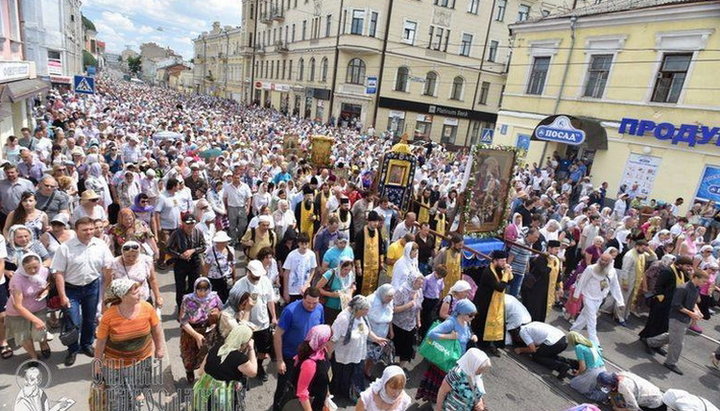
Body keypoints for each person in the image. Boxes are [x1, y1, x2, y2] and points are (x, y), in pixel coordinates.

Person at [52, 216, 113, 366]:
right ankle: (72, 349)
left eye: (91, 229)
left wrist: (107, 293)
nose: (89, 232)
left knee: (90, 319)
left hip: (92, 287)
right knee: (73, 322)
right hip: (71, 289)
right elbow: (58, 273)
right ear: (76, 230)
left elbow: (108, 268)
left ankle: (86, 344)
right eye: (85, 230)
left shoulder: (100, 245)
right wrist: (62, 296)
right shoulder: (65, 248)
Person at [94, 278, 164, 404]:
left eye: (139, 290)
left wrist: (159, 348)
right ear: (123, 296)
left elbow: (156, 328)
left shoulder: (147, 308)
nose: (140, 294)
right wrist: (97, 364)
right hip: (116, 364)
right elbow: (100, 342)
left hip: (143, 358)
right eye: (135, 292)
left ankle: (137, 392)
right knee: (119, 396)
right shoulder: (109, 316)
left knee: (141, 382)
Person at [645, 269, 709, 375]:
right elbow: (676, 305)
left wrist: (697, 311)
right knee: (678, 343)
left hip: (685, 318)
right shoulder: (682, 288)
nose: (704, 284)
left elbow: (693, 302)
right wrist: (691, 314)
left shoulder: (696, 288)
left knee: (673, 336)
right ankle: (670, 363)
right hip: (677, 318)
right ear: (695, 278)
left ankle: (651, 342)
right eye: (703, 281)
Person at [272, 287, 324, 411]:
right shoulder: (290, 311)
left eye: (314, 303)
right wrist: (280, 360)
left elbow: (320, 330)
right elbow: (278, 335)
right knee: (283, 387)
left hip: (308, 358)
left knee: (303, 388)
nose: (311, 306)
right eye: (308, 302)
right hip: (290, 356)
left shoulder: (320, 308)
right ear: (303, 298)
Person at [416, 299, 478, 403]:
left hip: (455, 360)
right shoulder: (451, 322)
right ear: (462, 313)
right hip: (444, 360)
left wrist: (472, 336)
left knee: (445, 387)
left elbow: (466, 334)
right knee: (441, 386)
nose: (473, 317)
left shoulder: (466, 323)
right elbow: (431, 334)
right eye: (471, 315)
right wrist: (450, 336)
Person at [329, 295, 386, 402]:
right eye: (365, 310)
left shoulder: (360, 317)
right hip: (344, 358)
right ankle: (343, 394)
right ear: (357, 308)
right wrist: (328, 356)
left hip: (358, 355)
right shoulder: (343, 319)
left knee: (355, 376)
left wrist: (376, 339)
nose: (367, 312)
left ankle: (353, 393)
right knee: (343, 377)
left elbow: (365, 330)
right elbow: (333, 338)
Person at [229, 259, 277, 382]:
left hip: (263, 322)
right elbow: (232, 305)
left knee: (262, 349)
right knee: (244, 349)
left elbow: (270, 299)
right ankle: (243, 370)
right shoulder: (239, 285)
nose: (257, 278)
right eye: (254, 275)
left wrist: (273, 316)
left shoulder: (265, 281)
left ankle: (259, 366)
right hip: (246, 324)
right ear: (248, 272)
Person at [193, 324, 257, 411]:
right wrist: (251, 349)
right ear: (244, 342)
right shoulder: (240, 358)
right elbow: (253, 372)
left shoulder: (215, 347)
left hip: (205, 390)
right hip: (223, 397)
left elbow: (200, 372)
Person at [570, 253, 624, 346]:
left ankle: (574, 330)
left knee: (585, 315)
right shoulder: (591, 268)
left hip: (599, 298)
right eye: (601, 259)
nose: (603, 262)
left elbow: (615, 286)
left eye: (605, 261)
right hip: (588, 296)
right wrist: (576, 294)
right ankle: (594, 342)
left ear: (610, 262)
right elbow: (582, 281)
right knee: (592, 319)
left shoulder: (612, 272)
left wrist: (620, 302)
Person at [5, 253, 51, 361]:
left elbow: (49, 283)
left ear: (40, 263)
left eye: (35, 267)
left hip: (38, 306)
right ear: (22, 267)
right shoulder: (17, 280)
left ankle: (43, 344)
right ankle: (33, 356)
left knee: (40, 332)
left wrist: (46, 290)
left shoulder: (44, 271)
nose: (33, 270)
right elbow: (18, 306)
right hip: (17, 312)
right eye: (28, 268)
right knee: (23, 336)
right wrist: (36, 320)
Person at [639, 255, 691, 348]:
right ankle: (646, 339)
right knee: (655, 322)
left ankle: (656, 343)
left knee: (663, 325)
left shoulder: (682, 273)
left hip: (671, 303)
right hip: (662, 303)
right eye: (687, 266)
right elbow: (658, 286)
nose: (689, 268)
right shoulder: (667, 271)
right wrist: (661, 299)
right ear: (680, 265)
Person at [179, 277, 223, 383]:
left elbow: (222, 310)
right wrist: (196, 335)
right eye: (200, 290)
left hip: (209, 330)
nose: (202, 293)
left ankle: (206, 374)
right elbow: (183, 321)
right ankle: (189, 371)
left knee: (207, 354)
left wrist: (217, 314)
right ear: (195, 289)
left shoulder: (214, 297)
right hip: (191, 332)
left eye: (205, 290)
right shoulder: (188, 299)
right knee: (189, 355)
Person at [472, 250, 513, 356]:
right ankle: (479, 345)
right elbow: (500, 287)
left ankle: (493, 344)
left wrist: (508, 272)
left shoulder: (501, 270)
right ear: (495, 261)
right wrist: (506, 274)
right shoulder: (488, 272)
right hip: (485, 302)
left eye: (505, 260)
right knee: (481, 324)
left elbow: (510, 281)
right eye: (502, 261)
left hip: (496, 303)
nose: (504, 263)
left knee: (497, 324)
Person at [167, 213, 207, 309]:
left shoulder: (198, 232)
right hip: (180, 263)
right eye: (188, 223)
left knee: (194, 286)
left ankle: (193, 308)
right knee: (180, 287)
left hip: (194, 262)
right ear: (183, 223)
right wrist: (180, 255)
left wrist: (192, 250)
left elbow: (204, 246)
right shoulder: (176, 234)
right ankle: (181, 309)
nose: (190, 225)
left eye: (192, 223)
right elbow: (168, 249)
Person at [107, 240, 162, 308]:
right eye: (127, 256)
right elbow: (108, 284)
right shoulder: (113, 263)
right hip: (122, 302)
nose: (131, 258)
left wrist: (158, 297)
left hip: (143, 299)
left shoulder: (146, 261)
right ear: (122, 253)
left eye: (134, 256)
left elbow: (152, 280)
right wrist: (108, 302)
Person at [521, 239, 562, 322]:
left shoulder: (556, 260)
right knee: (535, 309)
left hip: (548, 290)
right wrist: (550, 263)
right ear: (549, 248)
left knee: (543, 309)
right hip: (537, 289)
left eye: (558, 249)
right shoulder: (541, 258)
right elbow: (544, 272)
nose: (557, 251)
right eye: (556, 249)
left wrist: (559, 287)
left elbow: (558, 274)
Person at [293, 324, 332, 411]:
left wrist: (326, 395)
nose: (331, 341)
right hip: (310, 405)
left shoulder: (322, 351)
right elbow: (302, 393)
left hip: (320, 400)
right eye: (330, 339)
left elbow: (325, 374)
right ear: (323, 341)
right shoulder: (309, 364)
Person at [392, 271, 423, 368]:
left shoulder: (418, 291)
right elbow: (393, 309)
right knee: (396, 349)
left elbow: (418, 306)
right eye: (419, 283)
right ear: (412, 281)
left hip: (410, 325)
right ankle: (391, 367)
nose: (421, 286)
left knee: (407, 350)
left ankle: (400, 369)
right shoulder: (401, 291)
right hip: (399, 325)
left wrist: (418, 320)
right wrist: (408, 305)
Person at [365, 284, 396, 378]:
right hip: (369, 334)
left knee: (374, 356)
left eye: (392, 297)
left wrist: (391, 330)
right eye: (388, 297)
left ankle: (367, 371)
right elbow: (363, 319)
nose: (390, 299)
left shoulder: (389, 302)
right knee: (364, 355)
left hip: (382, 335)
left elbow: (390, 315)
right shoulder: (370, 300)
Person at [567, 331, 606, 401]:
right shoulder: (592, 343)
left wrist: (578, 373)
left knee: (574, 384)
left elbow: (583, 367)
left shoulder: (578, 347)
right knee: (594, 386)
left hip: (593, 372)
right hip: (603, 368)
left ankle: (604, 397)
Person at [596, 371, 665, 411]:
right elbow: (612, 392)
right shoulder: (618, 375)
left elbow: (633, 409)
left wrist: (618, 409)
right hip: (651, 392)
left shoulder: (624, 387)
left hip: (655, 404)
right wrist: (614, 404)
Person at [354, 210, 386, 296]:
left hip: (375, 265)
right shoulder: (361, 233)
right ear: (368, 221)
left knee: (374, 285)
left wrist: (381, 262)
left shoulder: (378, 232)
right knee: (360, 286)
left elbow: (380, 248)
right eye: (373, 221)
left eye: (377, 221)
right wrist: (358, 267)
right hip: (364, 266)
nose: (375, 223)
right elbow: (357, 251)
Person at [316, 257, 356, 324]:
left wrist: (350, 293)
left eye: (349, 269)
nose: (347, 272)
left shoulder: (350, 275)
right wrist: (331, 294)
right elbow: (317, 288)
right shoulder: (331, 273)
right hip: (329, 307)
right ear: (340, 267)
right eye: (345, 269)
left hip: (344, 308)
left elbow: (352, 286)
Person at [282, 232, 317, 303]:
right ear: (298, 243)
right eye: (302, 244)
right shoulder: (291, 255)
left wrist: (307, 284)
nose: (304, 246)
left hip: (305, 289)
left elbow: (313, 270)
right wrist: (285, 291)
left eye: (306, 243)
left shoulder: (311, 255)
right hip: (293, 290)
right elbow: (286, 273)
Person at [203, 231, 235, 302]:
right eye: (220, 242)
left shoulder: (231, 250)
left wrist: (234, 277)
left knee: (227, 299)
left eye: (224, 242)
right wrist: (204, 281)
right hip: (214, 280)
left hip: (227, 279)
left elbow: (233, 265)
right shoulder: (210, 251)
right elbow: (206, 267)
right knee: (215, 300)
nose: (222, 244)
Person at [419, 265, 447, 338]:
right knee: (425, 318)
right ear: (436, 273)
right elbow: (423, 290)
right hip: (427, 300)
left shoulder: (440, 280)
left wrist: (439, 299)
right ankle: (422, 334)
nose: (440, 278)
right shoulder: (427, 279)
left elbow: (441, 289)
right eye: (439, 276)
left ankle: (427, 333)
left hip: (435, 300)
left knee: (432, 318)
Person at [434, 233, 463, 299]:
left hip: (454, 283)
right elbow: (435, 267)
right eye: (459, 245)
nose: (461, 247)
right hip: (443, 284)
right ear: (453, 243)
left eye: (462, 245)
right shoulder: (444, 252)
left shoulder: (459, 252)